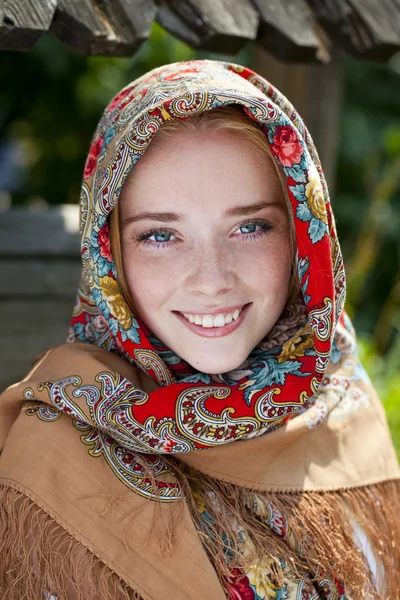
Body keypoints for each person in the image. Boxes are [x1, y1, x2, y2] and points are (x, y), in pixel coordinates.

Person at [0, 59, 399, 600]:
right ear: (108, 251)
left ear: (303, 235)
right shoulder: (54, 453)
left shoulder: (338, 391)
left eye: (251, 226)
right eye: (161, 236)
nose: (211, 280)